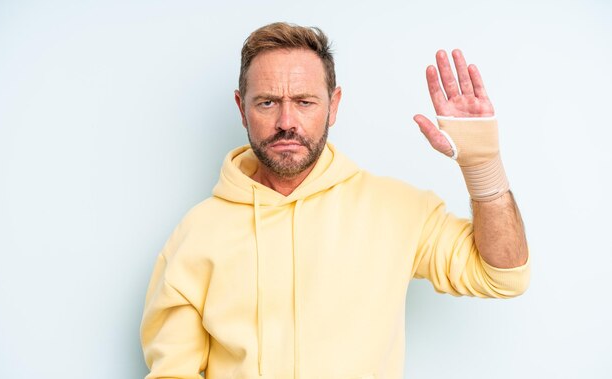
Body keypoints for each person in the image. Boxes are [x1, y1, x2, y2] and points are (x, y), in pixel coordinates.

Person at [140, 22, 530, 379]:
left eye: (305, 102)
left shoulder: (396, 210)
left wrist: (482, 164)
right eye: (267, 103)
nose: (286, 121)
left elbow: (502, 275)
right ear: (241, 108)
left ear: (334, 105)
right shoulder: (196, 233)